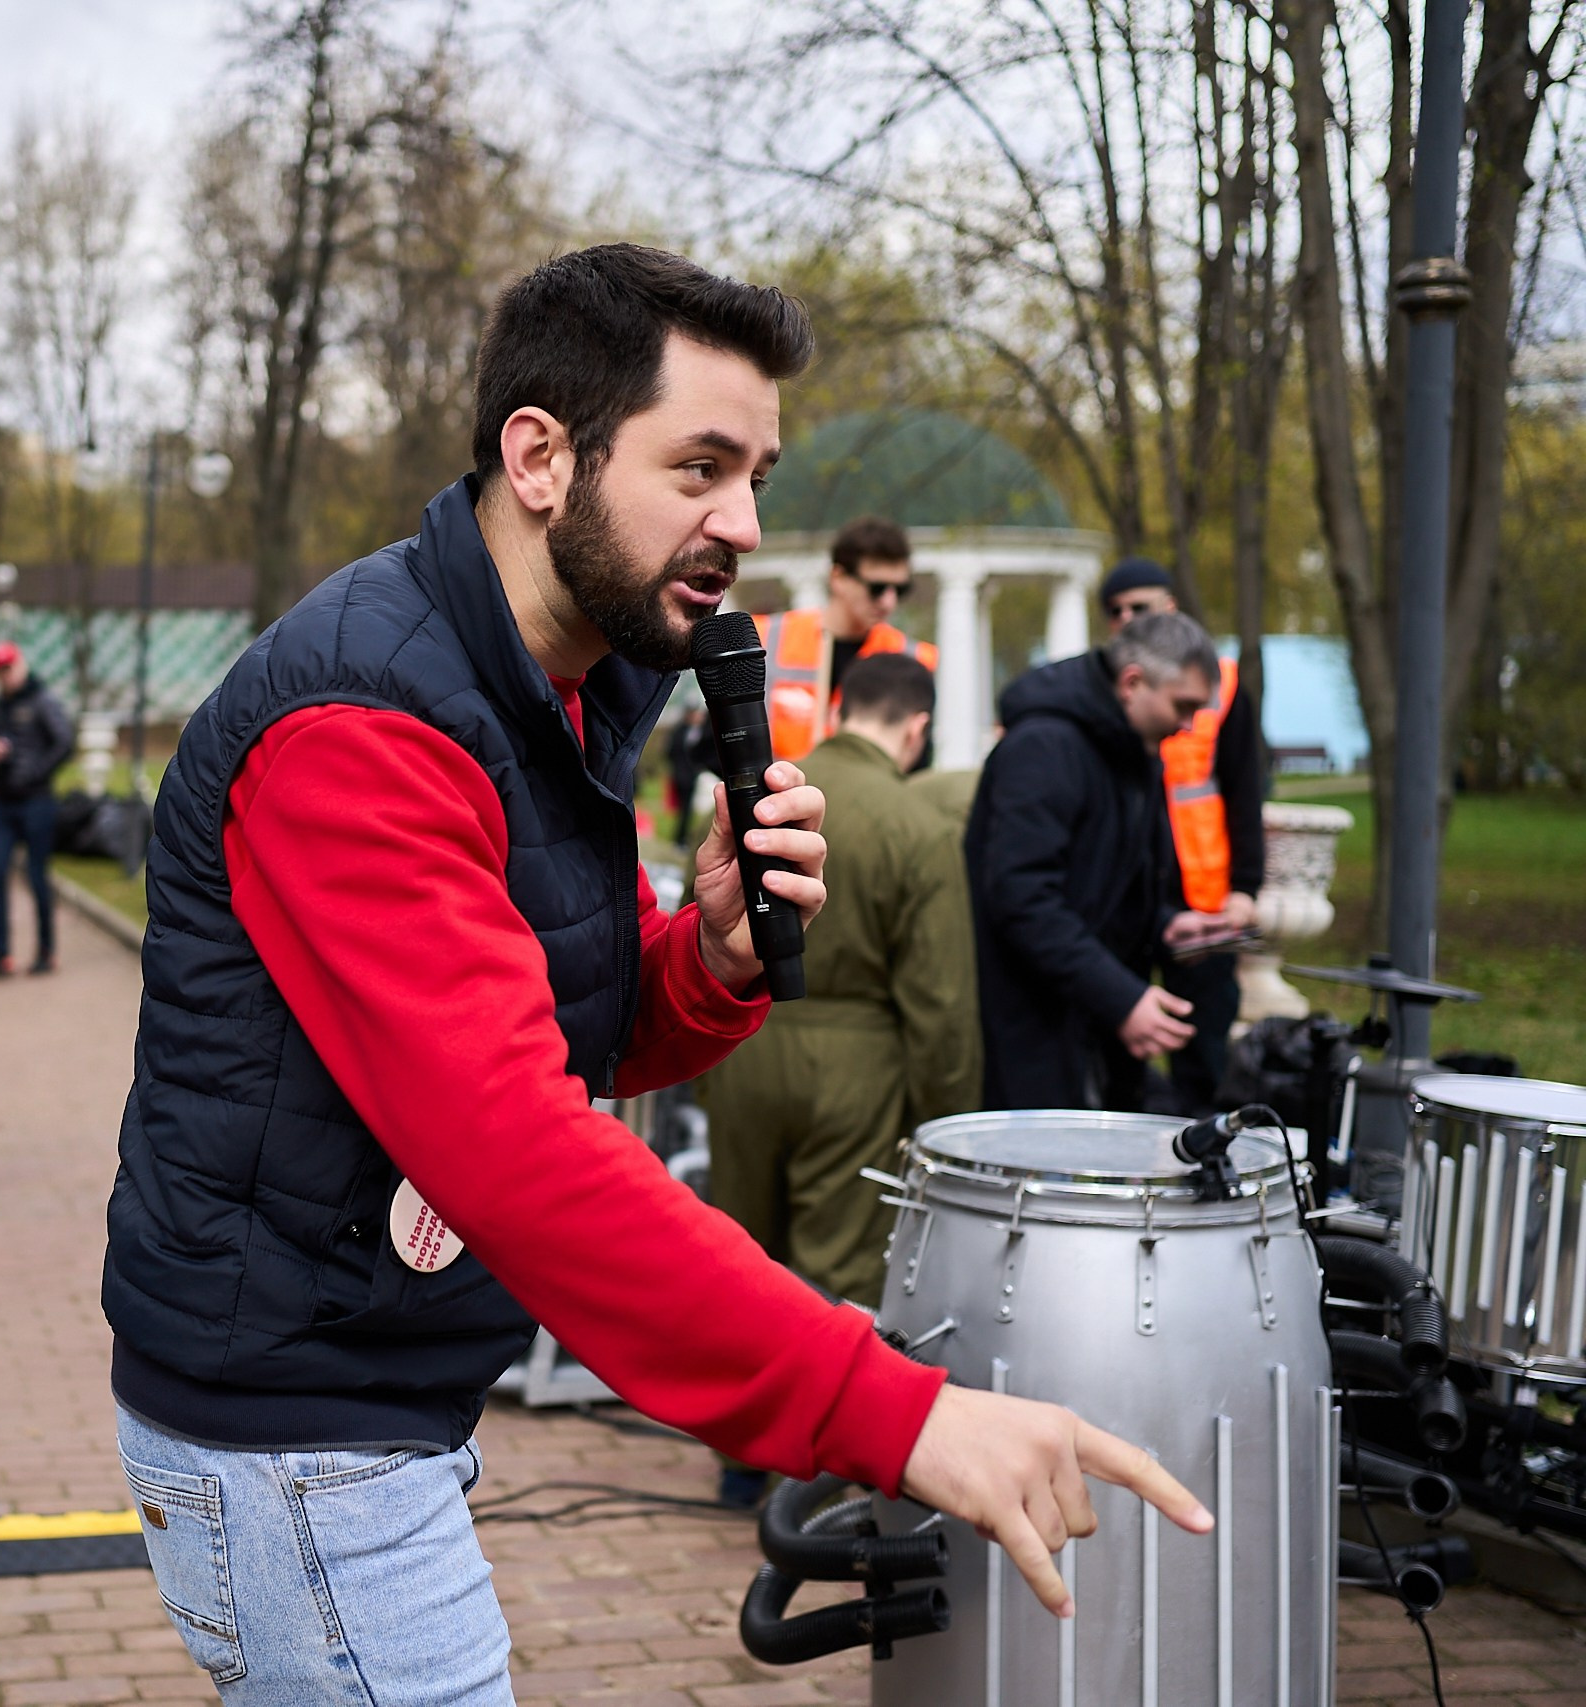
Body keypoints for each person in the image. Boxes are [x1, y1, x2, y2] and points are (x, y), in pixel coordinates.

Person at [105, 243, 1207, 1702]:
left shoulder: (553, 685)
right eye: (700, 466)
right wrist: (887, 1407)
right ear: (542, 454)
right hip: (299, 1430)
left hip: (381, 1384)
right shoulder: (366, 726)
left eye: (757, 473)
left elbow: (577, 1022)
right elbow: (513, 1142)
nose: (743, 521)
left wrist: (712, 957)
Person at [694, 653, 980, 1311]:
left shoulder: (757, 799)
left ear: (838, 710)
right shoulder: (919, 828)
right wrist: (944, 1123)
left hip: (743, 1048)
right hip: (859, 1071)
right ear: (918, 730)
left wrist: (706, 1072)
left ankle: (730, 1409)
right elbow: (941, 1004)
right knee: (835, 1283)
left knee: (736, 1266)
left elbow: (695, 926)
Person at [967, 609, 1227, 1111]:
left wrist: (1166, 925)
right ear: (1132, 682)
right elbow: (1022, 898)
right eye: (1183, 705)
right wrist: (1122, 998)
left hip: (1092, 1023)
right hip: (1036, 1031)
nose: (1189, 724)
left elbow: (1111, 885)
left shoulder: (1135, 749)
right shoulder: (1044, 746)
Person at [1100, 559, 1265, 1111]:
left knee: (1204, 1052)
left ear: (1168, 608)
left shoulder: (1221, 686)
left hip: (1203, 899)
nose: (1125, 618)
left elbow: (1245, 789)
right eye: (1115, 611)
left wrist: (1244, 887)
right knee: (1118, 1050)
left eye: (1138, 607)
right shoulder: (1107, 689)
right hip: (1128, 898)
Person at [758, 516, 940, 762]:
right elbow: (716, 741)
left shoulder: (912, 659)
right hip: (776, 796)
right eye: (877, 588)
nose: (889, 602)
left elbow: (919, 761)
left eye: (899, 590)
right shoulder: (764, 638)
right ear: (838, 577)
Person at [0, 641, 72, 978]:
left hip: (36, 801)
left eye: (9, 667)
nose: (5, 676)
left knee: (37, 876)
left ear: (21, 664)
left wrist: (35, 772)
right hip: (4, 802)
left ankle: (47, 949)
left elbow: (65, 742)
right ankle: (1, 954)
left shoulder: (43, 700)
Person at [664, 701, 711, 844]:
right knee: (682, 808)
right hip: (680, 775)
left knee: (687, 809)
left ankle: (681, 837)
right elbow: (671, 752)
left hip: (691, 776)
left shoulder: (700, 731)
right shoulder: (680, 731)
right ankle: (679, 837)